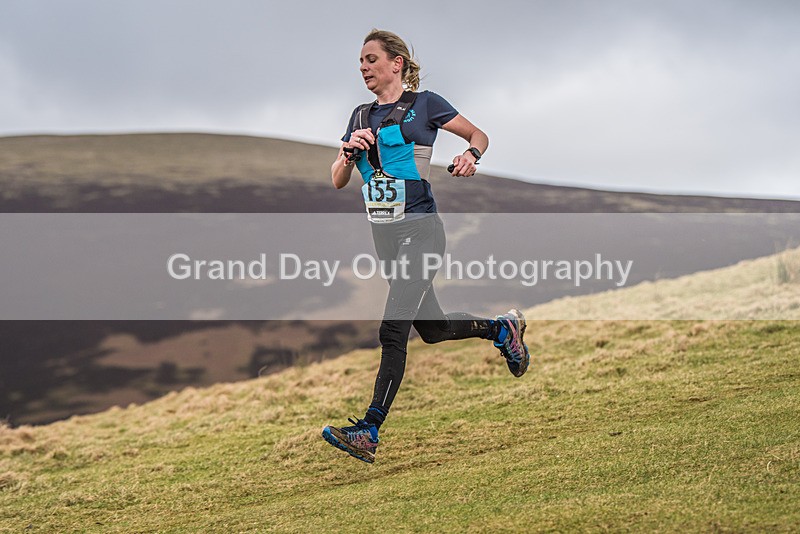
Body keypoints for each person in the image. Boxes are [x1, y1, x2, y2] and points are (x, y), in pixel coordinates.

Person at [321, 29, 530, 464]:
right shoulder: (359, 116)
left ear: (396, 63)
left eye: (371, 59)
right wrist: (347, 154)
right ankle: (501, 329)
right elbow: (338, 180)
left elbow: (478, 134)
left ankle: (369, 430)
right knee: (432, 330)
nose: (363, 67)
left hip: (422, 231)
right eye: (360, 61)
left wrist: (471, 155)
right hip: (385, 237)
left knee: (392, 329)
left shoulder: (425, 104)